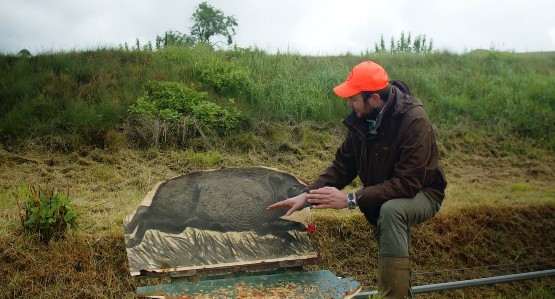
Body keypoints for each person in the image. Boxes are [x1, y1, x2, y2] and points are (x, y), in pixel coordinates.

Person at [267, 61, 447, 298]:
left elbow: (409, 183)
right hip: (383, 195)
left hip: (423, 192)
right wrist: (307, 195)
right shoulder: (361, 119)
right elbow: (343, 165)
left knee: (392, 212)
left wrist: (352, 199)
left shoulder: (414, 121)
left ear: (374, 99)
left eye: (353, 98)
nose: (349, 103)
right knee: (388, 226)